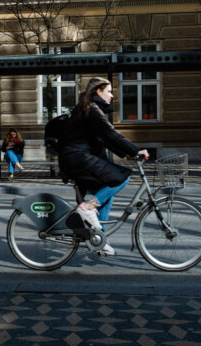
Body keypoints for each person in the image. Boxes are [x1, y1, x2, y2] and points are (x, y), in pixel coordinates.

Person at [58, 77, 149, 256]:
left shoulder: (88, 109)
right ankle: (89, 207)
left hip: (75, 158)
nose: (112, 96)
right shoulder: (92, 109)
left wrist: (128, 154)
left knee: (106, 190)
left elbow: (103, 139)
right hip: (78, 158)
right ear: (98, 91)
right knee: (122, 177)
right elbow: (111, 134)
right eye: (109, 91)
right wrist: (136, 150)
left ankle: (100, 238)